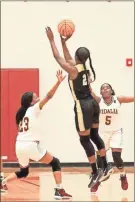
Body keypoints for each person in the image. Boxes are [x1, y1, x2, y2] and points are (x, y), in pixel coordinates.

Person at [45, 27, 113, 191]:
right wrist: (63, 42)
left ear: (77, 57)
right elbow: (67, 57)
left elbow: (58, 57)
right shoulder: (83, 68)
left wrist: (52, 39)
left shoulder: (73, 69)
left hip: (83, 106)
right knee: (95, 135)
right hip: (93, 104)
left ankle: (95, 171)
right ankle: (105, 166)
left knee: (84, 139)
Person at [1, 70, 72, 200]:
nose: (38, 96)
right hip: (30, 145)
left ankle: (3, 181)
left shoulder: (20, 113)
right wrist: (58, 82)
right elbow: (49, 96)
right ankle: (59, 190)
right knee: (55, 162)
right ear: (31, 101)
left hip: (19, 145)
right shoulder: (34, 109)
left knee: (24, 171)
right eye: (35, 96)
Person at [90, 83, 134, 190]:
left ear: (111, 90)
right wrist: (88, 81)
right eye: (102, 88)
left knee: (116, 157)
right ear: (100, 92)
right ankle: (98, 180)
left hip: (116, 132)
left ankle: (123, 175)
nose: (105, 89)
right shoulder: (99, 101)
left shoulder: (118, 99)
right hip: (103, 133)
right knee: (100, 159)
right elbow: (90, 91)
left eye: (107, 87)